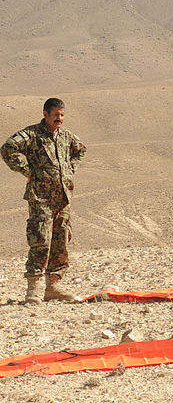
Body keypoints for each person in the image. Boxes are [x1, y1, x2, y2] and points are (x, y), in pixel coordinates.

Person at [1, 98, 86, 304]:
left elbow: (80, 150)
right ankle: (33, 289)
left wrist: (69, 169)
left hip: (63, 198)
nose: (60, 119)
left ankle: (53, 287)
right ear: (45, 114)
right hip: (41, 198)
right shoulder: (32, 135)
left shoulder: (66, 137)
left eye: (62, 115)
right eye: (56, 114)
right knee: (40, 240)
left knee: (60, 240)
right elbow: (7, 149)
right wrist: (27, 170)